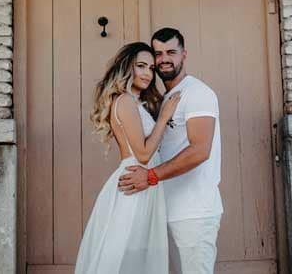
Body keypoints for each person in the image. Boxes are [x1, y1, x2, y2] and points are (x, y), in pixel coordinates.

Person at [118, 27, 222, 274]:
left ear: (184, 54)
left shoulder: (197, 93)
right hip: (167, 208)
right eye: (158, 53)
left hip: (194, 211)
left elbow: (200, 150)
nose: (164, 58)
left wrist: (151, 176)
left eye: (171, 52)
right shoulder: (166, 98)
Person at [75, 42, 182, 274]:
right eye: (140, 66)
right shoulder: (123, 101)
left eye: (151, 68)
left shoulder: (135, 102)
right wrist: (163, 117)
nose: (147, 73)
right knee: (127, 254)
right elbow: (143, 154)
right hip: (135, 180)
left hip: (144, 182)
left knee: (139, 254)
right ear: (126, 67)